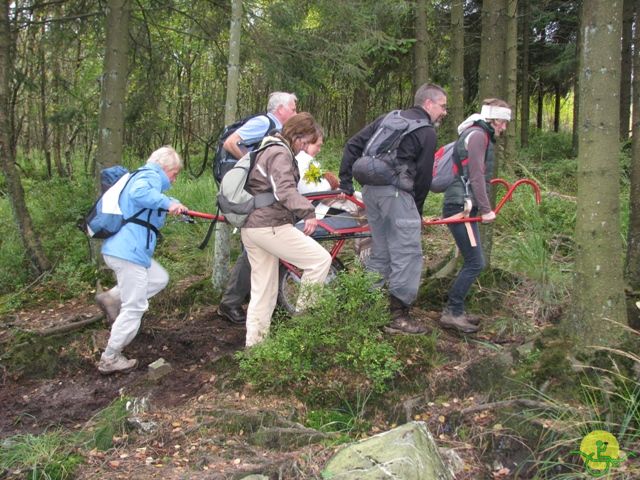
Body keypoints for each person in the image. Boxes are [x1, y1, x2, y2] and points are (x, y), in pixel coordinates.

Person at [339, 83, 448, 334]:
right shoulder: (426, 132)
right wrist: (416, 212)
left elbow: (353, 145)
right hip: (398, 196)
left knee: (381, 250)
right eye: (442, 106)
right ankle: (398, 316)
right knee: (407, 254)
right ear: (428, 104)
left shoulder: (390, 118)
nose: (444, 111)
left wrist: (346, 181)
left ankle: (367, 305)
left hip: (370, 192)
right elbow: (422, 179)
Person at [241, 112, 332, 347]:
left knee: (264, 291)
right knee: (320, 260)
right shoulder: (280, 152)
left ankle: (255, 347)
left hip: (252, 227)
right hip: (270, 225)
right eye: (312, 142)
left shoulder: (266, 148)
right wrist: (308, 212)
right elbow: (284, 191)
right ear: (300, 137)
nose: (312, 148)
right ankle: (304, 327)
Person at [95, 146, 188, 374]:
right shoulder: (148, 176)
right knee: (135, 307)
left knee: (158, 278)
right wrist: (168, 204)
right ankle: (110, 357)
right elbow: (140, 193)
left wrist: (175, 205)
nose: (174, 180)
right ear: (165, 168)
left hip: (127, 251)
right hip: (128, 252)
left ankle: (112, 298)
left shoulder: (146, 178)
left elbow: (149, 199)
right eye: (174, 174)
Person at [218, 92, 298, 324]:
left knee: (258, 245)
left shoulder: (279, 131)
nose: (295, 112)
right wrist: (255, 167)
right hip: (248, 195)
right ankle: (230, 303)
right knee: (253, 245)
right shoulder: (264, 122)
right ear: (280, 109)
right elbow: (231, 142)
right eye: (293, 108)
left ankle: (255, 300)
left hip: (257, 194)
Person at [438, 98, 511, 334]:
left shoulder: (476, 132)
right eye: (504, 122)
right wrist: (486, 208)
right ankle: (452, 312)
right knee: (475, 262)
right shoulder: (479, 135)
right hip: (462, 206)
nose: (505, 128)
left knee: (473, 260)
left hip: (464, 202)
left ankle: (456, 310)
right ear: (495, 119)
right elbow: (477, 175)